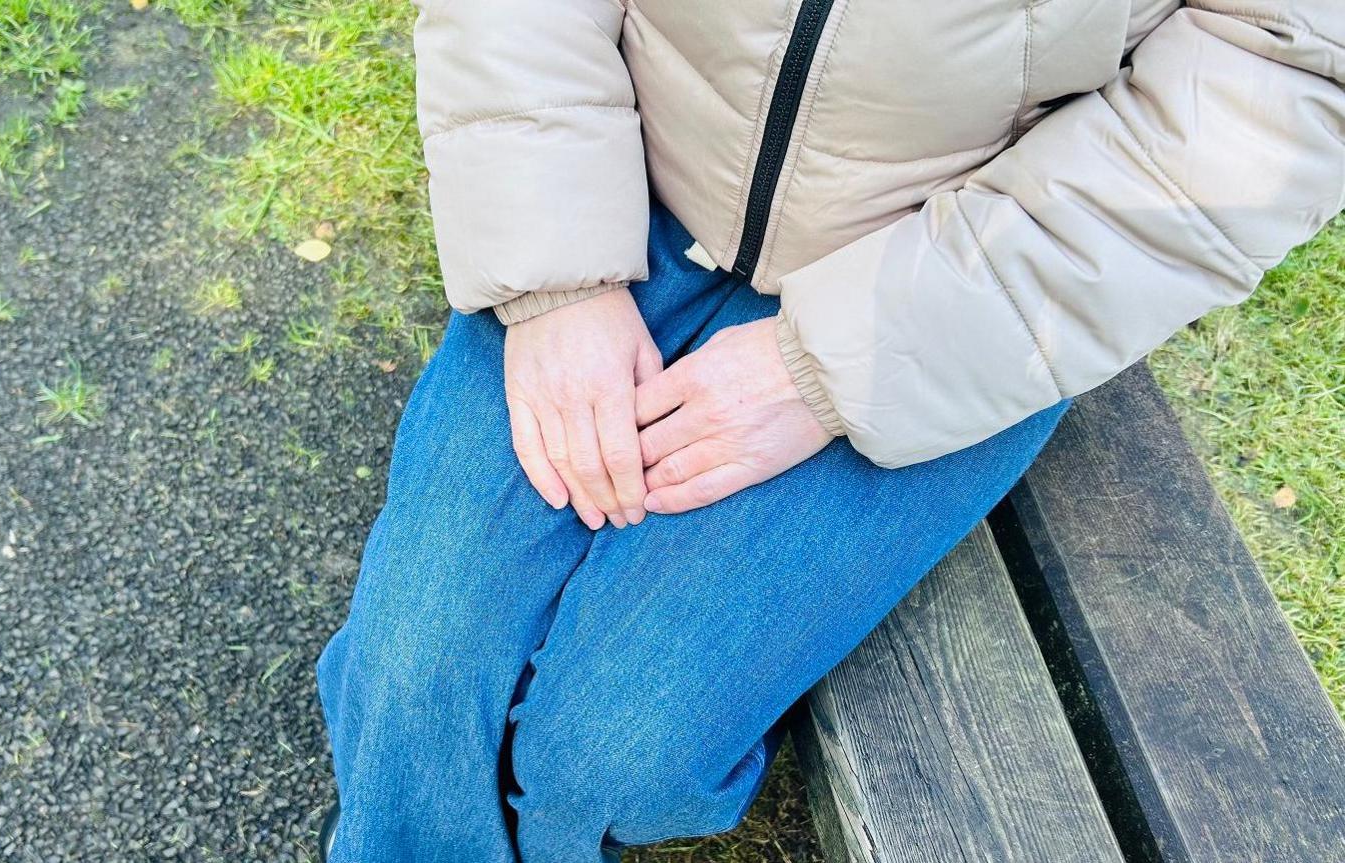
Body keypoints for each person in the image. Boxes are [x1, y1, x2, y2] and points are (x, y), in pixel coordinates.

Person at [315, 1, 1344, 860]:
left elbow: (1280, 88)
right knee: (412, 674)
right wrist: (555, 278)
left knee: (613, 756)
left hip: (954, 276)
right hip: (618, 179)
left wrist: (833, 367)